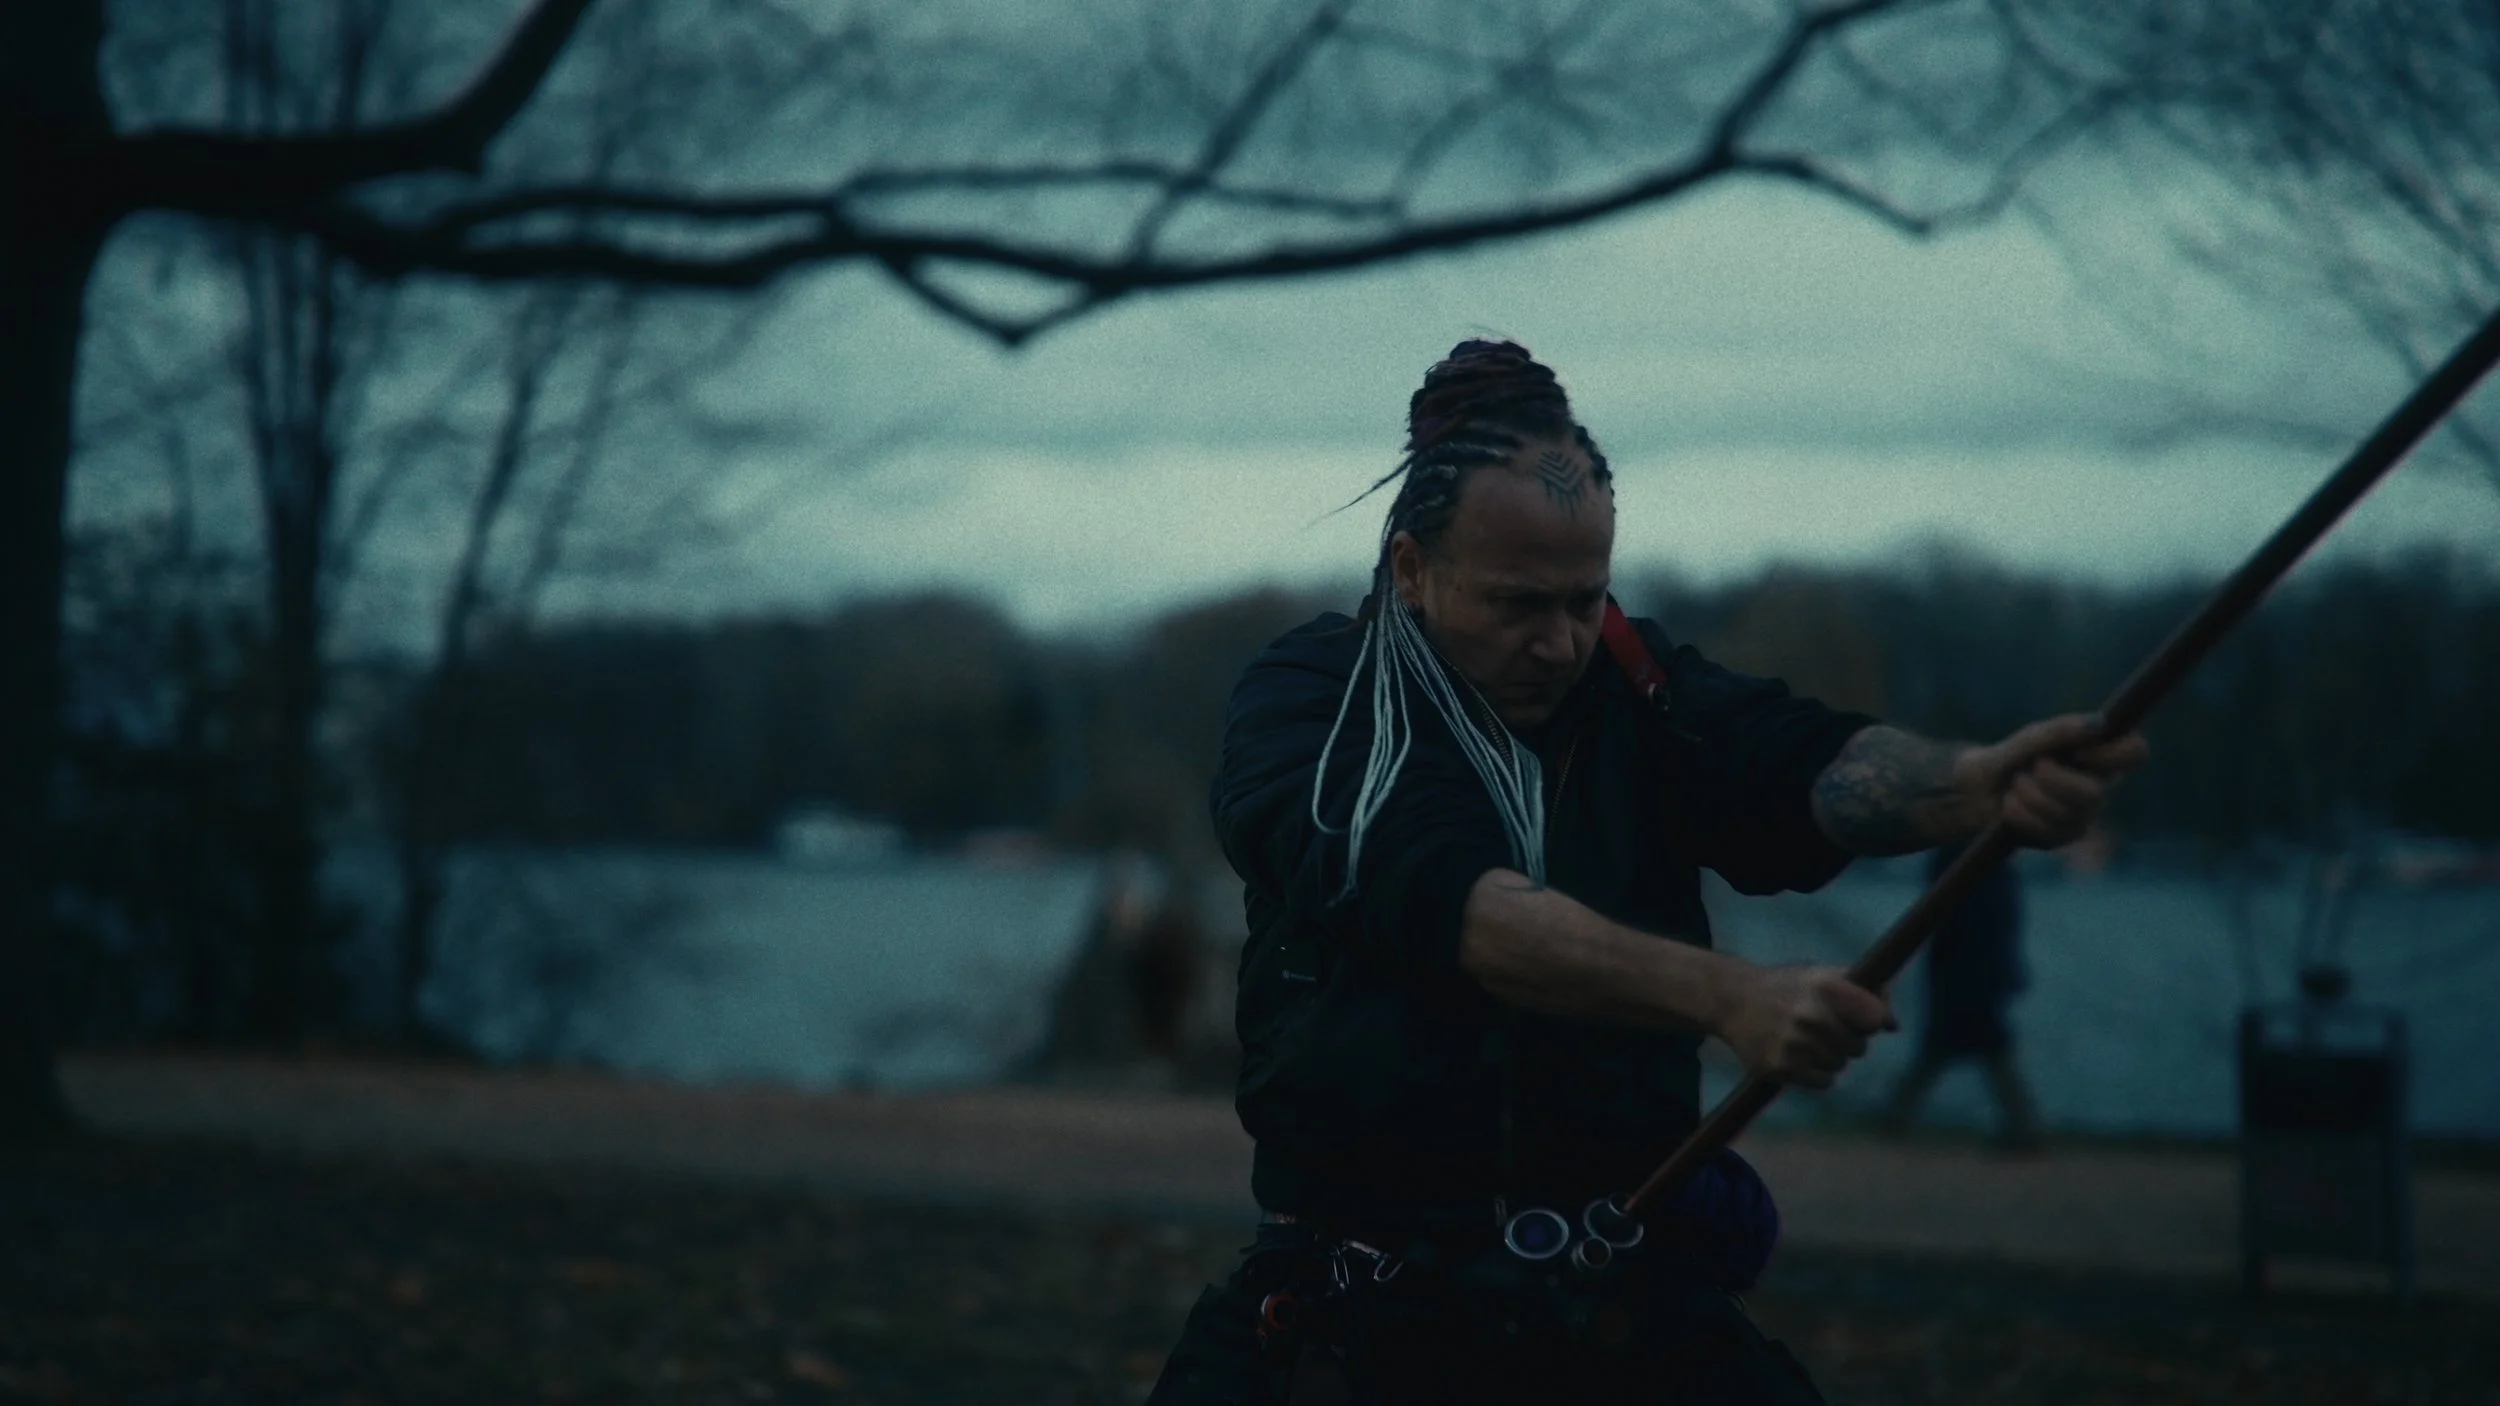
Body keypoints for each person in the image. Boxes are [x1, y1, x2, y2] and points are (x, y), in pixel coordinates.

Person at [1146, 341, 2146, 1406]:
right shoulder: (1313, 701)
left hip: (1618, 1294)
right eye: (1519, 603)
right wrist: (1731, 997)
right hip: (1357, 1304)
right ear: (1411, 571)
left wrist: (1975, 785)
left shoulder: (1641, 684)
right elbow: (1449, 902)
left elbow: (1793, 761)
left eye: (1586, 599)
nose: (1561, 641)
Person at [1880, 843, 2043, 1150]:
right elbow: (2000, 920)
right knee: (1977, 1049)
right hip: (1976, 971)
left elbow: (1944, 918)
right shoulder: (1991, 859)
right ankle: (2025, 1127)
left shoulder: (1963, 858)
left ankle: (1895, 1118)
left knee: (1958, 1049)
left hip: (1965, 972)